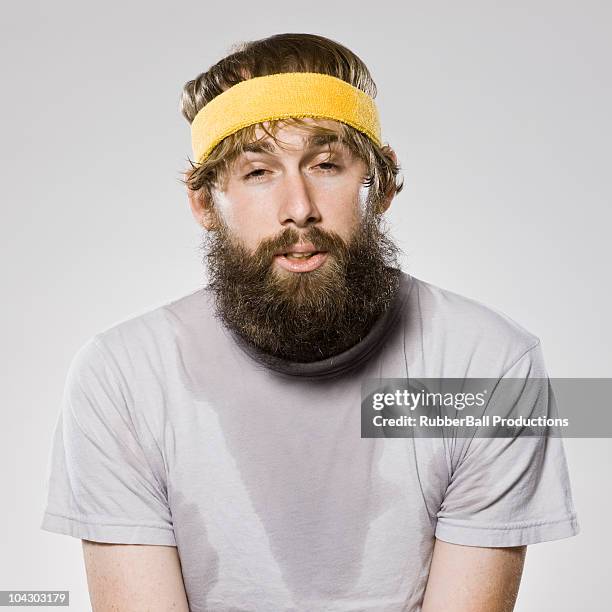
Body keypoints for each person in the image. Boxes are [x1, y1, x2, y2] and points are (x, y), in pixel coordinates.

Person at [40, 33, 579, 611]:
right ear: (204, 204)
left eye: (326, 165)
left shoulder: (492, 369)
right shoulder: (122, 377)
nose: (298, 207)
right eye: (257, 172)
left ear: (384, 184)